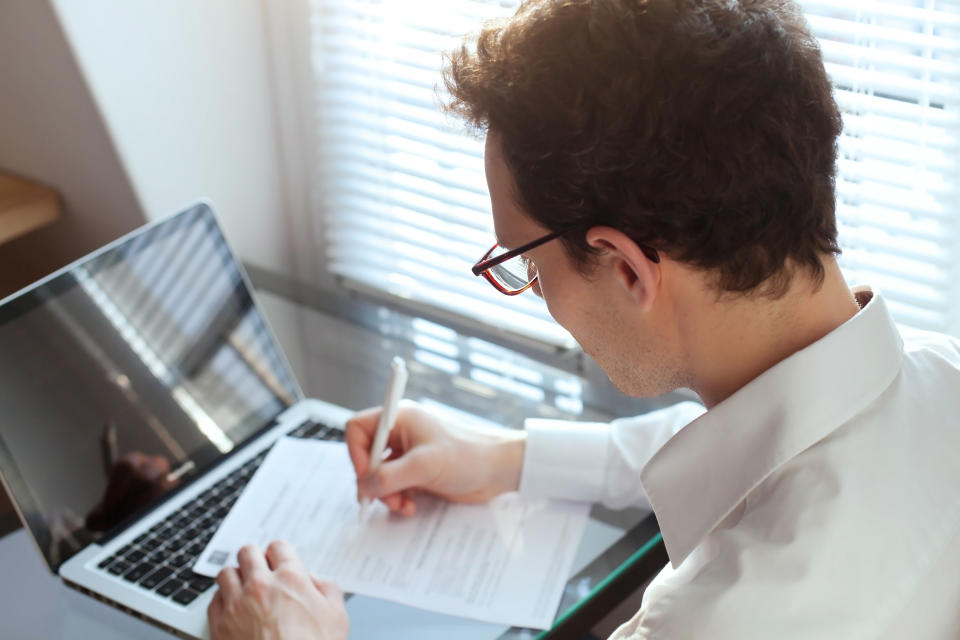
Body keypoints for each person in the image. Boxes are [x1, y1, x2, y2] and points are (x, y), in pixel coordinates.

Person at [206, 0, 960, 638]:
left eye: (529, 266)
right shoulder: (939, 373)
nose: (535, 291)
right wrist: (504, 459)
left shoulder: (716, 618)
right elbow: (761, 437)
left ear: (627, 266)